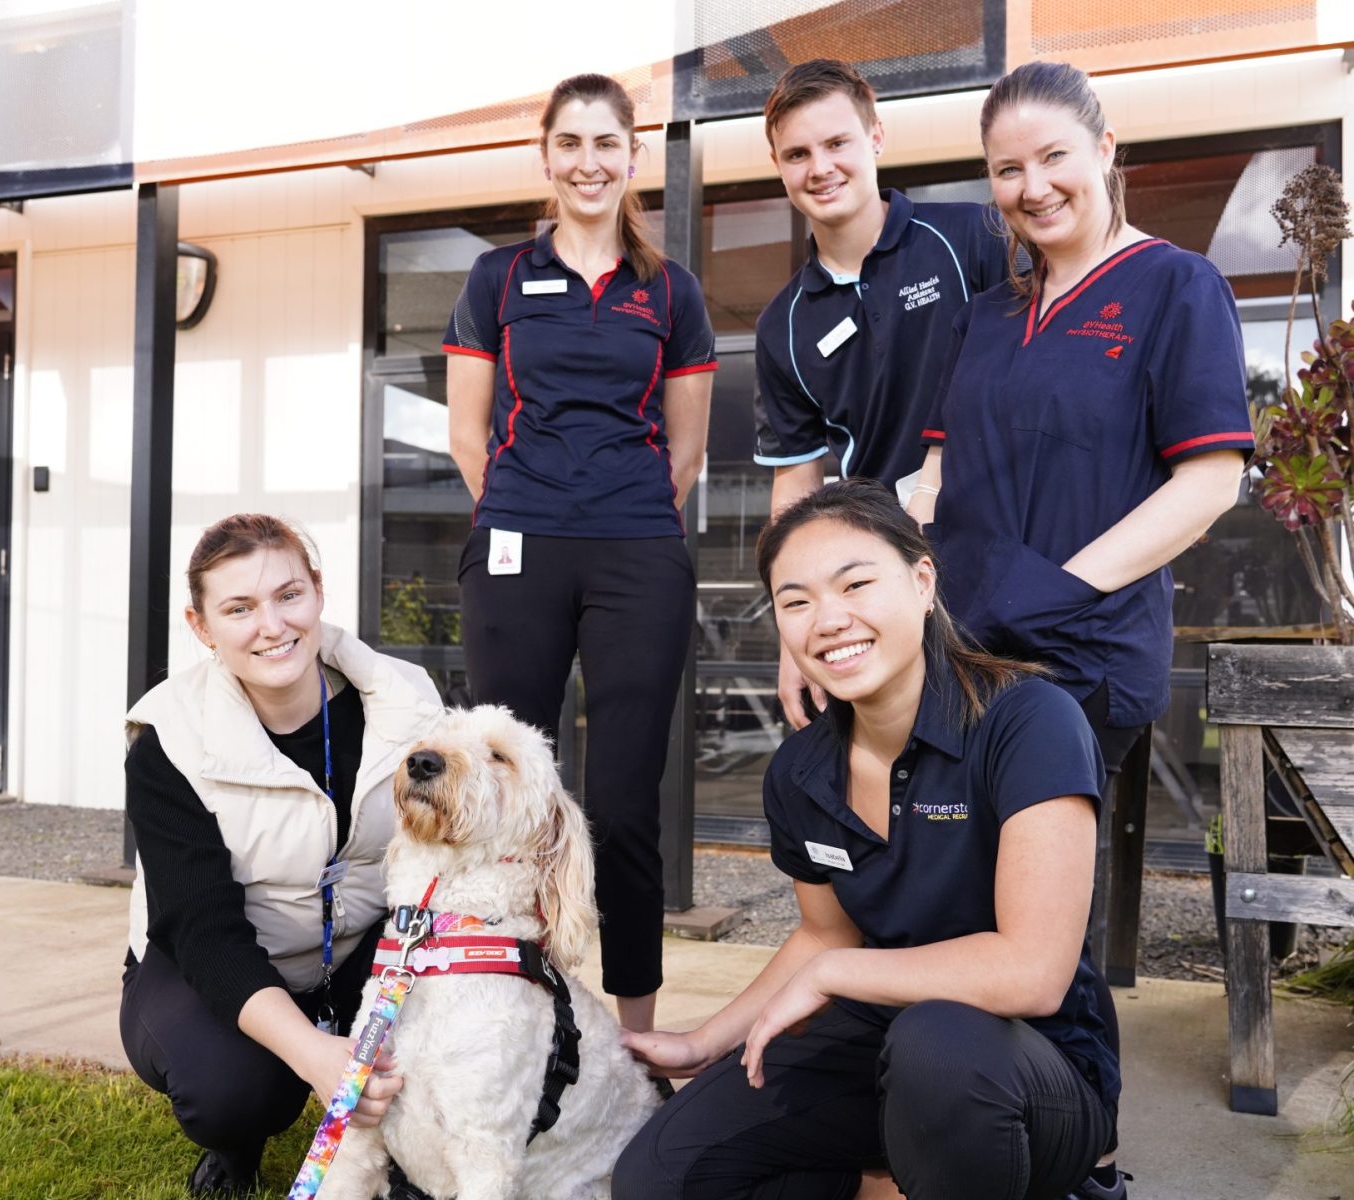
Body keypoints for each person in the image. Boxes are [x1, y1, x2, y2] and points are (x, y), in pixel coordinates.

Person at [909, 61, 1254, 1200]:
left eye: (1054, 155)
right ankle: (975, 1120)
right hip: (959, 649)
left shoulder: (1176, 286)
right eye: (1008, 169)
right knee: (957, 898)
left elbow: (1206, 485)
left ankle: (1088, 1154)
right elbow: (943, 471)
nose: (1032, 185)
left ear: (1108, 151)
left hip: (1079, 658)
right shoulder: (987, 314)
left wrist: (1052, 590)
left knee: (1038, 913)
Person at [612, 479, 1117, 1199]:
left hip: (1026, 1072)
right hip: (878, 1048)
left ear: (921, 581)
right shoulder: (801, 770)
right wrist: (703, 1042)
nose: (828, 620)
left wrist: (832, 978)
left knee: (938, 1047)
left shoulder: (1029, 721)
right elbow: (826, 935)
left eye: (855, 584)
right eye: (796, 601)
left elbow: (1032, 972)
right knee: (658, 1178)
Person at [442, 73, 716, 1034]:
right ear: (547, 156)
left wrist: (618, 513)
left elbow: (685, 449)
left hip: (638, 552)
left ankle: (635, 1033)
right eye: (571, 143)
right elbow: (467, 435)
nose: (589, 162)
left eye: (608, 143)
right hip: (520, 544)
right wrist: (526, 511)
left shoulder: (669, 291)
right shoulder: (498, 280)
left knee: (623, 798)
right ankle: (506, 1012)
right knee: (504, 786)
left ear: (633, 157)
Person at [118, 514, 442, 1197]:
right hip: (212, 963)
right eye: (239, 608)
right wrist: (314, 1055)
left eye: (288, 595)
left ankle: (410, 1154)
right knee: (232, 1090)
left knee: (439, 1035)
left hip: (359, 954)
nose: (272, 626)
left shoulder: (409, 704)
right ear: (202, 627)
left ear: (318, 592)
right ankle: (240, 1145)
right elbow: (203, 931)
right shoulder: (166, 741)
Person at [751, 60, 1011, 729]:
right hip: (881, 590)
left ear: (876, 139)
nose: (820, 167)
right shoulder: (782, 324)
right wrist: (794, 632)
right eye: (798, 154)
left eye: (837, 143)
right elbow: (798, 486)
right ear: (779, 167)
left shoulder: (971, 239)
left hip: (1003, 561)